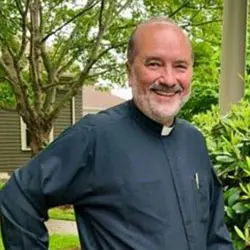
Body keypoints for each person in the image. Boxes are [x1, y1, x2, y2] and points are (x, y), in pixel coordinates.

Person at [0, 17, 234, 250]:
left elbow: (214, 232)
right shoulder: (95, 136)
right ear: (129, 71)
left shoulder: (193, 141)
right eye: (154, 64)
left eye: (180, 66)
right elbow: (18, 197)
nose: (169, 79)